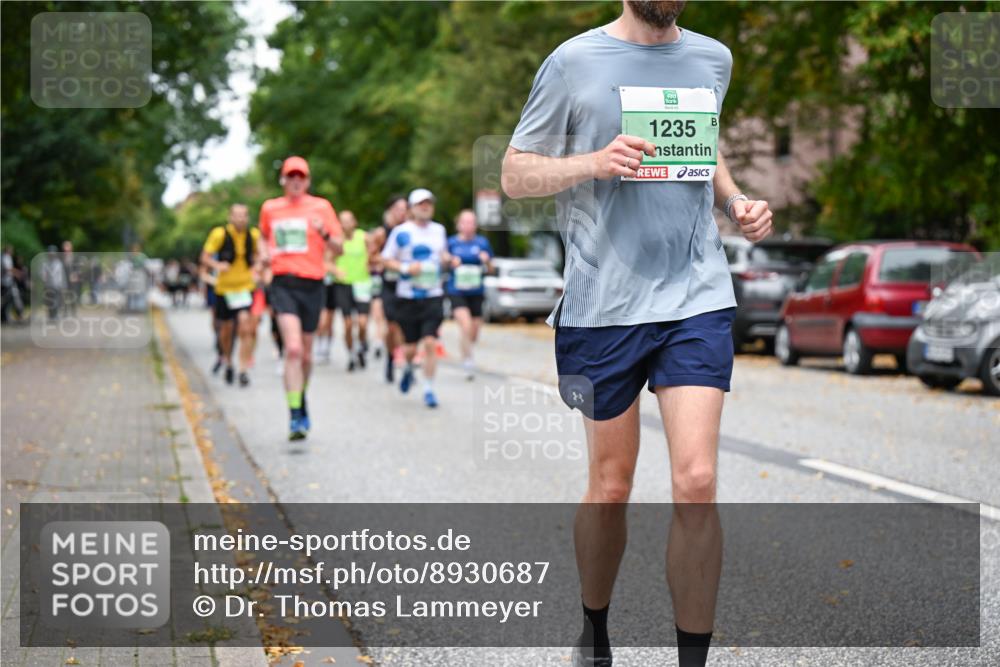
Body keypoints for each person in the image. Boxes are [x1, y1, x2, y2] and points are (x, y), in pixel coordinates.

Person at [501, 2, 774, 666]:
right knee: (612, 484)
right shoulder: (573, 62)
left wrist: (735, 199)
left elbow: (702, 147)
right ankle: (594, 626)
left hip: (695, 293)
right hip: (603, 303)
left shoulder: (713, 58)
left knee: (698, 476)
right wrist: (592, 162)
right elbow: (514, 173)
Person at [258, 156, 343, 440]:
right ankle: (294, 415)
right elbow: (262, 237)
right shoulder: (271, 208)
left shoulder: (321, 207)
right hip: (283, 283)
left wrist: (323, 231)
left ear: (307, 181)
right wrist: (263, 252)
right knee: (292, 349)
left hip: (313, 284)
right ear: (283, 180)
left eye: (301, 177)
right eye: (290, 176)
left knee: (306, 354)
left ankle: (301, 398)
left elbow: (339, 247)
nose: (295, 181)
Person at [380, 188, 451, 408]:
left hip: (433, 294)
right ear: (412, 208)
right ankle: (409, 367)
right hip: (407, 296)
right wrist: (405, 268)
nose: (426, 207)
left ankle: (429, 388)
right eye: (421, 204)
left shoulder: (439, 230)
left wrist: (447, 259)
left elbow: (442, 256)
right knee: (410, 348)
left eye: (429, 203)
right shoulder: (401, 231)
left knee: (430, 342)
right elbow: (385, 259)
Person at [200, 203, 262, 387]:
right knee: (226, 330)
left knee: (246, 326)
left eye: (244, 215)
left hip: (245, 287)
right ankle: (228, 361)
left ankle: (243, 369)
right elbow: (204, 257)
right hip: (224, 289)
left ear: (248, 218)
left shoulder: (254, 235)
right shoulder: (219, 234)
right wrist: (218, 266)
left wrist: (258, 267)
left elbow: (260, 256)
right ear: (230, 217)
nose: (240, 219)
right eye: (237, 215)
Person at [446, 209, 494, 380]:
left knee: (473, 332)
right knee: (465, 326)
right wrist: (450, 261)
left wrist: (487, 260)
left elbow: (491, 269)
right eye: (465, 222)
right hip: (456, 290)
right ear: (458, 224)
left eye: (472, 222)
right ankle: (467, 361)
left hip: (476, 291)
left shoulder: (482, 243)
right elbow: (442, 263)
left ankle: (467, 351)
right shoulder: (451, 243)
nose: (468, 226)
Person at [368, 195, 409, 383]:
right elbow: (371, 259)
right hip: (388, 283)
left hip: (407, 282)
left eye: (404, 209)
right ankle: (391, 359)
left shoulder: (411, 231)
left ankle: (402, 358)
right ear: (391, 210)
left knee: (404, 324)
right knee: (391, 325)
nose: (402, 213)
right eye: (398, 209)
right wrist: (386, 260)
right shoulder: (381, 233)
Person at [329, 210, 372, 371]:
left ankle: (361, 345)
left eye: (349, 220)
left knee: (362, 323)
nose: (346, 224)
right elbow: (327, 262)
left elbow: (373, 253)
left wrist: (370, 262)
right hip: (343, 284)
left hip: (362, 283)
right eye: (343, 221)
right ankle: (351, 354)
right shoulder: (336, 241)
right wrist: (335, 271)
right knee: (347, 324)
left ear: (354, 222)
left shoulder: (364, 237)